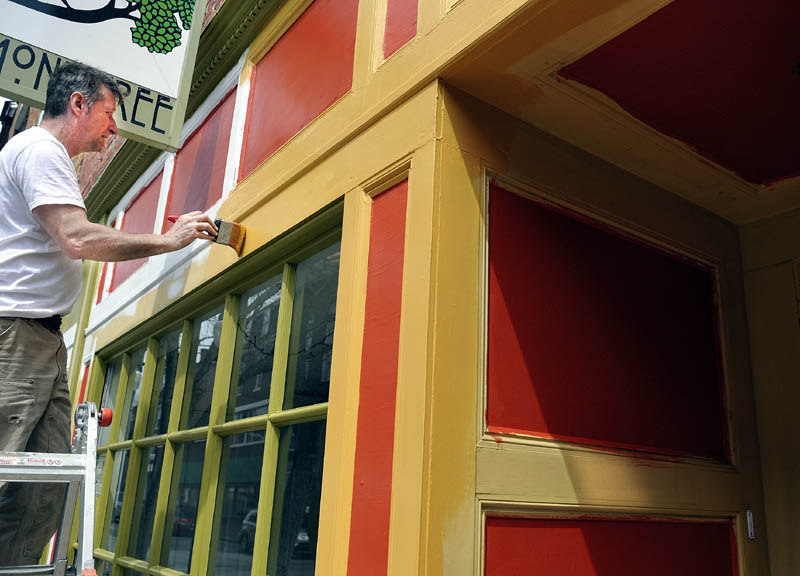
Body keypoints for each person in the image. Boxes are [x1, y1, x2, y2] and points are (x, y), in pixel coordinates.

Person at [0, 62, 217, 565]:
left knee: (43, 491)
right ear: (78, 104)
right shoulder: (39, 149)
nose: (113, 128)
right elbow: (77, 237)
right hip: (16, 338)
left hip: (41, 340)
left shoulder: (43, 156)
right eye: (108, 113)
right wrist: (168, 240)